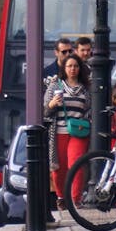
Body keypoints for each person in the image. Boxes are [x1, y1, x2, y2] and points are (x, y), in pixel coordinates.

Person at [43, 54, 91, 212]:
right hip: (60, 131)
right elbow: (44, 110)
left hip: (79, 131)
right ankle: (62, 198)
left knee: (75, 164)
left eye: (76, 66)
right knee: (58, 168)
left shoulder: (85, 88)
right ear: (64, 68)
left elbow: (90, 109)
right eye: (69, 66)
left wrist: (88, 120)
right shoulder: (55, 85)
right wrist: (52, 104)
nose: (73, 69)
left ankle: (75, 200)